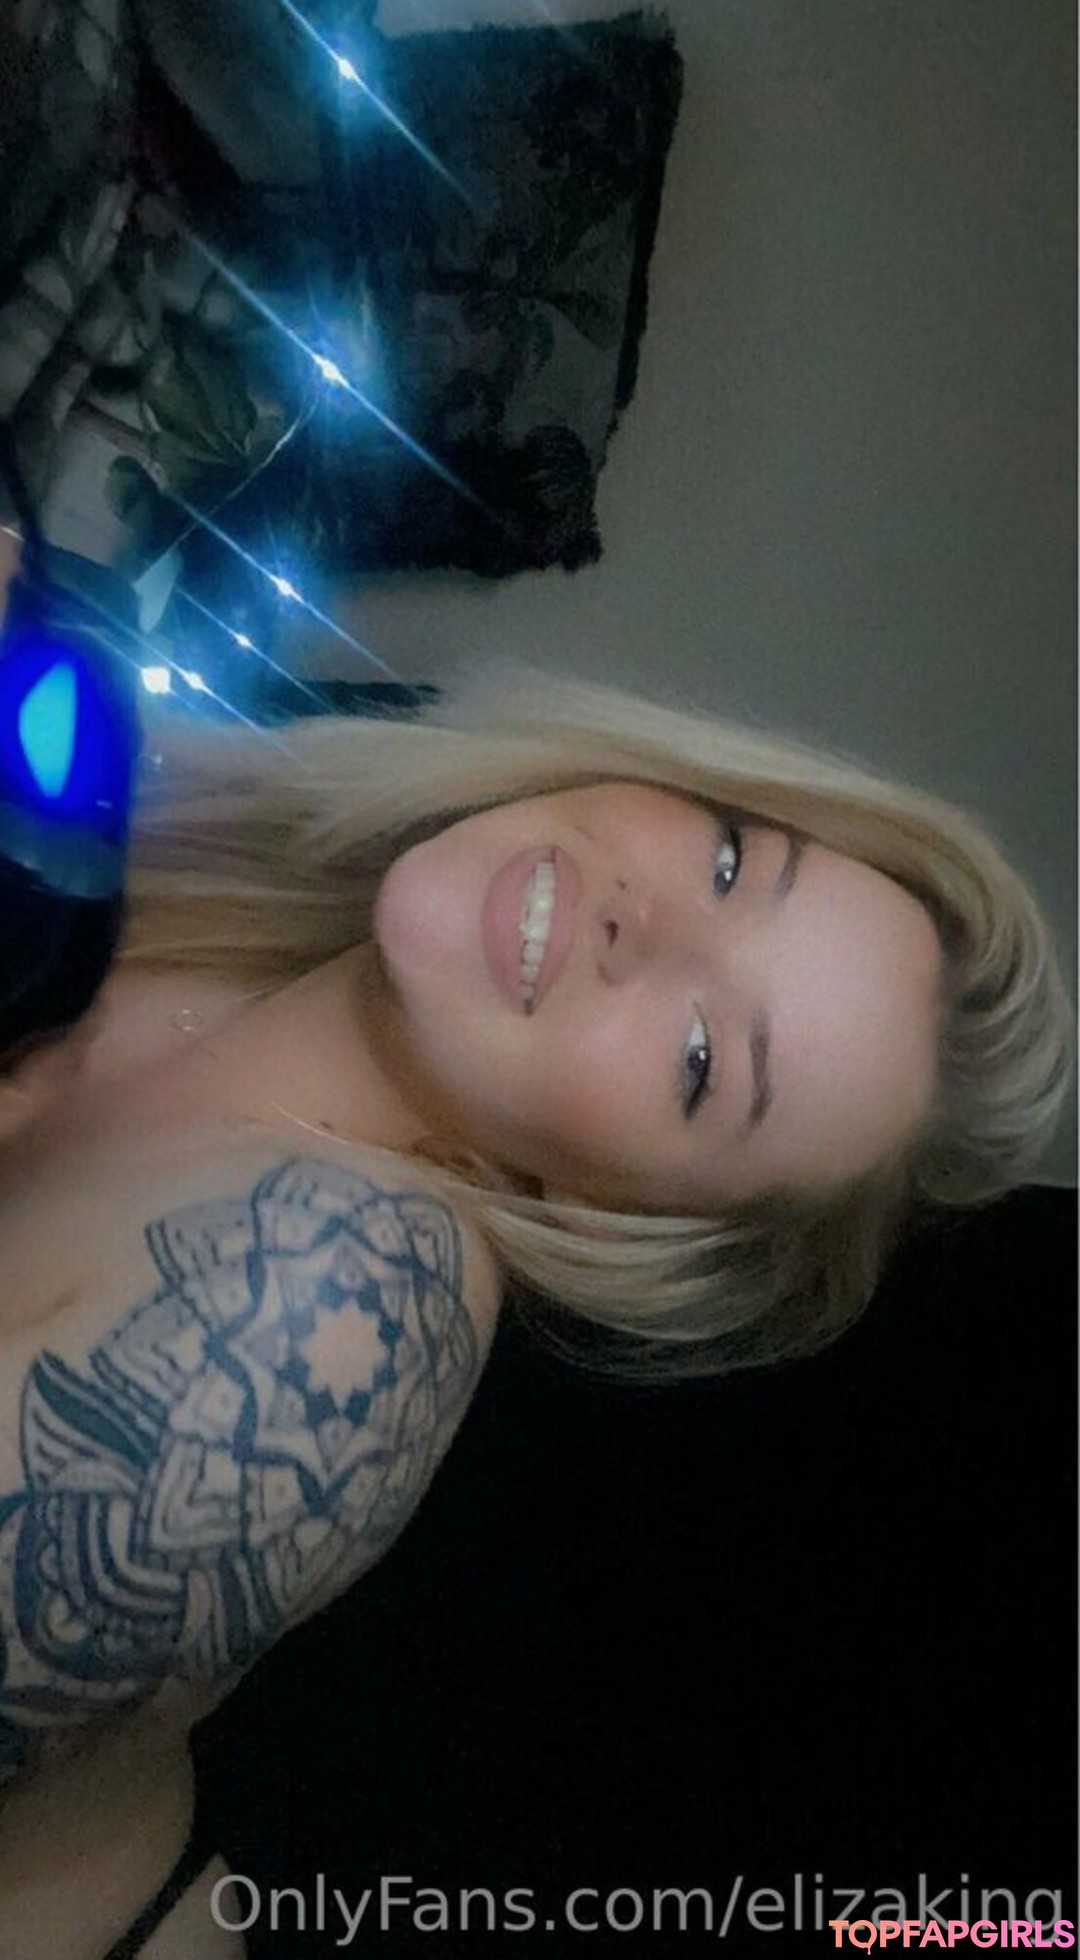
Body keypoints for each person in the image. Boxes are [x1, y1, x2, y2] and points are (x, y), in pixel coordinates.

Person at [0, 654, 1072, 1959]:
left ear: (630, 1209)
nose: (643, 926)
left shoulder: (333, 1304)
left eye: (701, 1062)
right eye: (731, 862)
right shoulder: (231, 826)